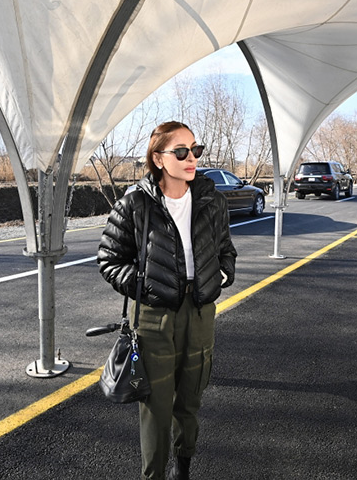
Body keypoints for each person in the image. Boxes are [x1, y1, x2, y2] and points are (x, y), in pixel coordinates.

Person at [98, 121, 237, 480]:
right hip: (153, 317)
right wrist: (145, 288)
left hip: (200, 313)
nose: (192, 158)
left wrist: (222, 274)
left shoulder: (212, 200)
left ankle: (183, 467)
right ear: (159, 159)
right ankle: (155, 475)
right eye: (181, 151)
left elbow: (225, 249)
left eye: (195, 150)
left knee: (190, 401)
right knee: (156, 408)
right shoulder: (135, 203)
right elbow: (109, 260)